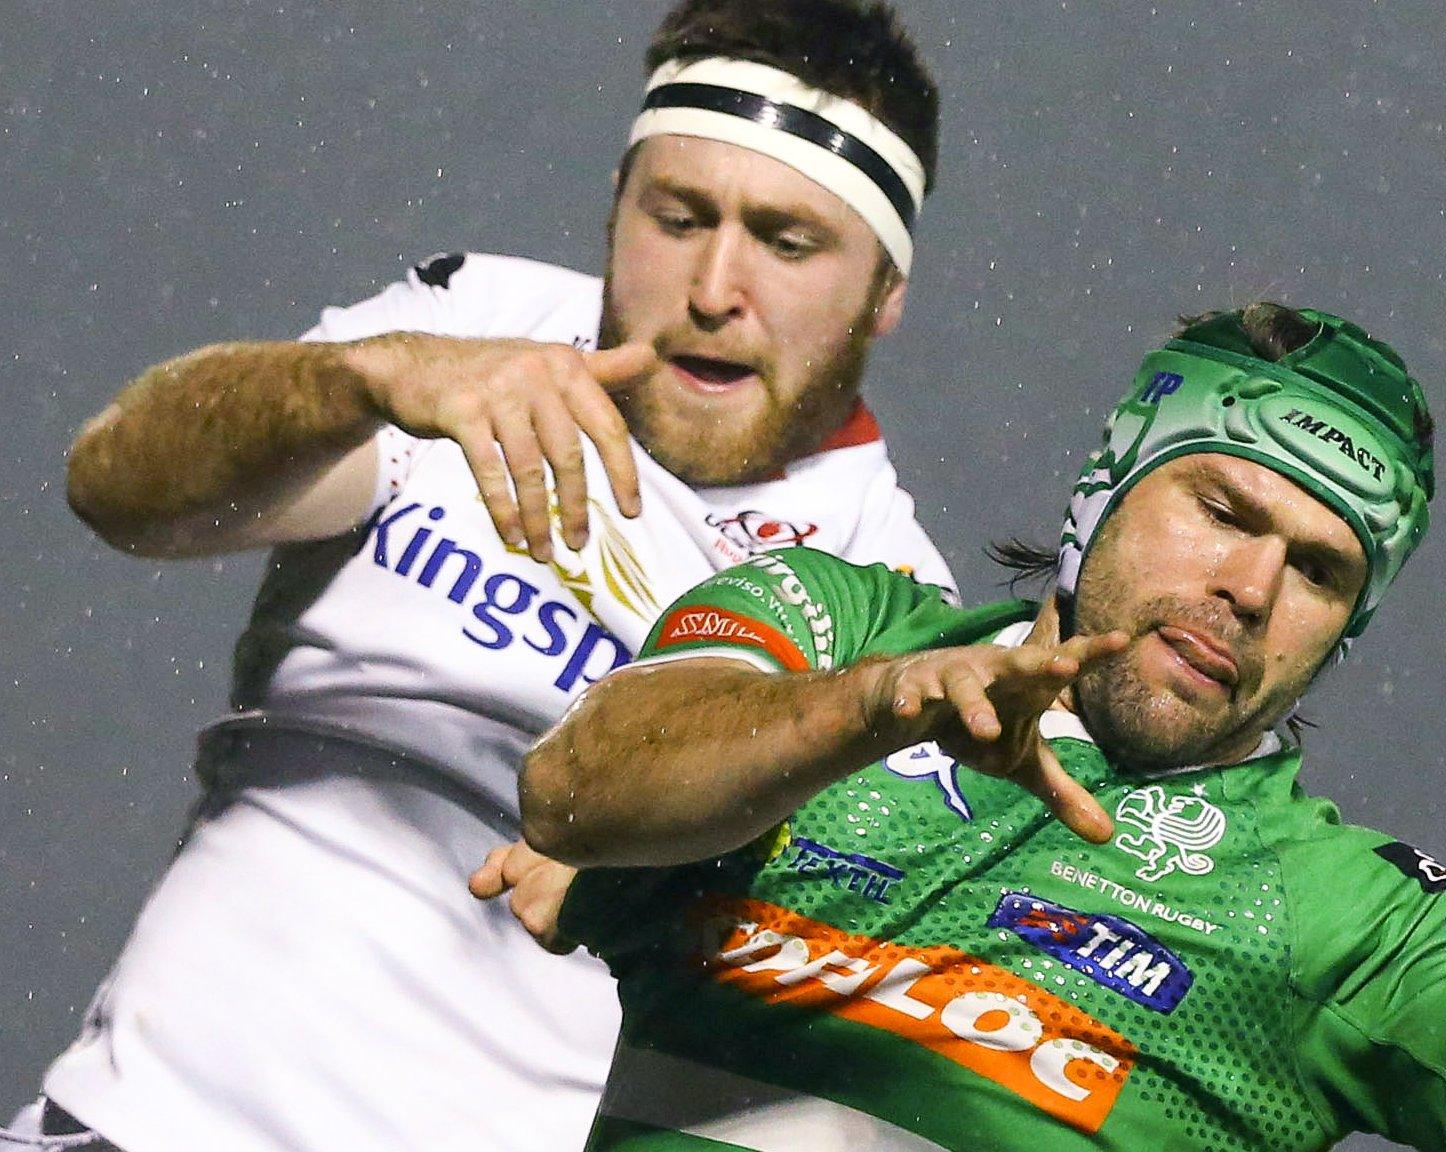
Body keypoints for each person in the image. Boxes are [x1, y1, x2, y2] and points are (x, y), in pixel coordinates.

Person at [477, 302, 1446, 1152]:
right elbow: (579, 791)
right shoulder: (838, 628)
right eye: (1221, 510)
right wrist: (872, 711)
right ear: (1104, 489)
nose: (1248, 589)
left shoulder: (1345, 919)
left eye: (1320, 573)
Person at [18, 3, 954, 1151]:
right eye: (677, 217)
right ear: (617, 205)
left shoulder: (895, 610)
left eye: (787, 241)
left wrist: (650, 858)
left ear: (885, 295)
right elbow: (118, 491)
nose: (715, 286)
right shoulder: (469, 326)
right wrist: (357, 381)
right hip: (135, 1126)